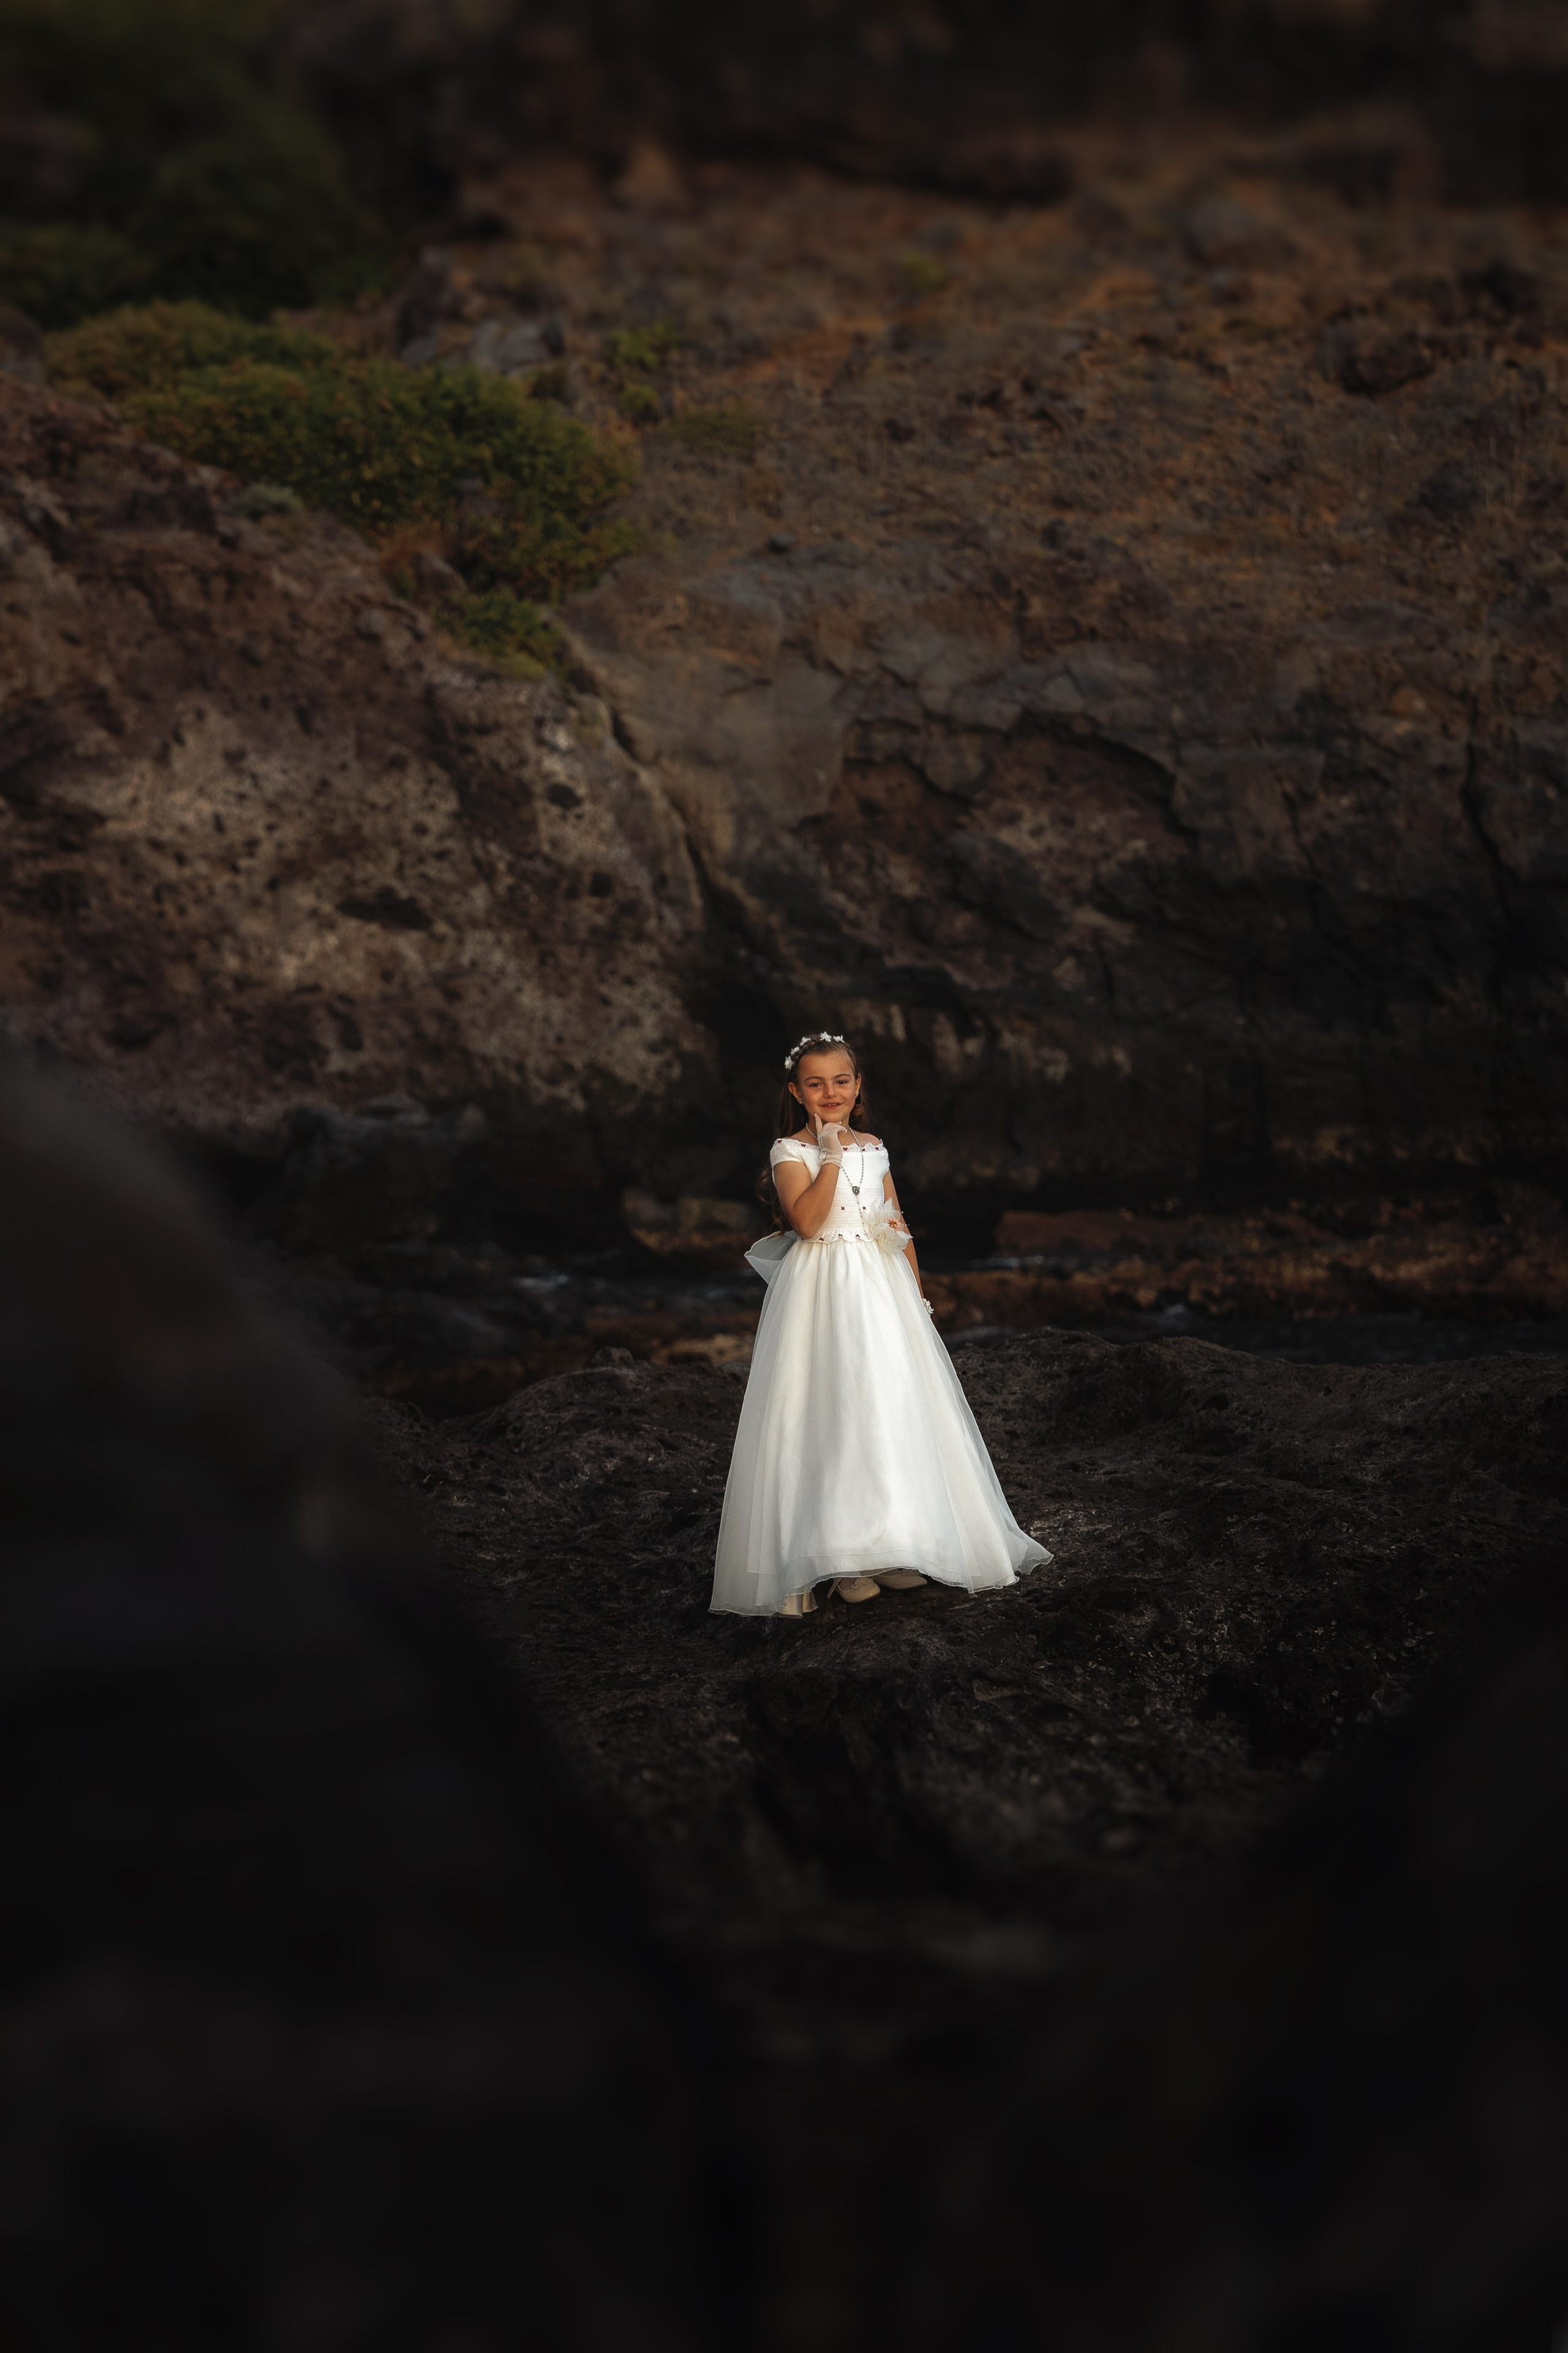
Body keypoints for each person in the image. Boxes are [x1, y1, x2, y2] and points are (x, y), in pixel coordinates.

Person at [710, 1031, 1052, 1617]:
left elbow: (896, 1221)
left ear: (858, 1085)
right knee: (837, 1407)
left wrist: (915, 1295)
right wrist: (830, 1154)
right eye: (816, 1084)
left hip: (879, 1288)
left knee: (887, 1405)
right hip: (824, 1291)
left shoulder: (875, 1147)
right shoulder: (789, 1150)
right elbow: (809, 1223)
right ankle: (843, 1557)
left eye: (841, 1081)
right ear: (796, 1092)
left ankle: (890, 1540)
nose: (831, 1092)